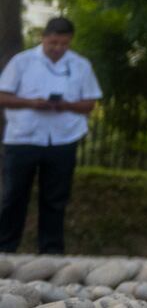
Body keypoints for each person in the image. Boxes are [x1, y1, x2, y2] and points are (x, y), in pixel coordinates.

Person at [0, 17, 102, 254]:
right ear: (43, 38)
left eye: (63, 44)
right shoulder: (22, 61)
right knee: (14, 196)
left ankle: (51, 252)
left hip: (63, 138)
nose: (57, 48)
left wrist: (65, 105)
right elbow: (3, 96)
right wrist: (30, 102)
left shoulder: (80, 65)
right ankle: (5, 249)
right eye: (53, 43)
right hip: (23, 137)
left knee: (55, 199)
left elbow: (89, 103)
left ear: (70, 42)